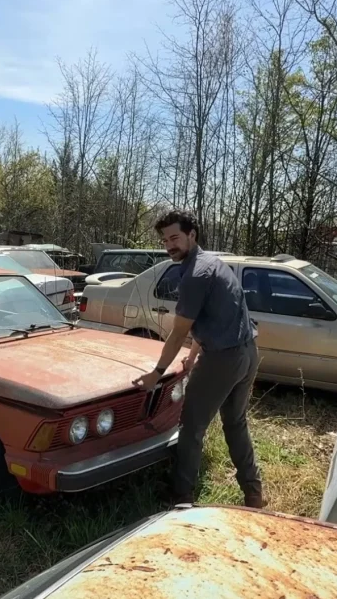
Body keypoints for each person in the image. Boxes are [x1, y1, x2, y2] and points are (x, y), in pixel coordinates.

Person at [133, 210, 266, 508]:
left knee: (191, 425)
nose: (169, 245)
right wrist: (193, 356)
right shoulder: (213, 264)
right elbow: (208, 319)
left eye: (175, 238)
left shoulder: (196, 274)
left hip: (224, 359)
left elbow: (179, 331)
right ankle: (253, 492)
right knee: (235, 422)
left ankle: (181, 495)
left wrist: (157, 372)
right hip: (247, 352)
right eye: (165, 240)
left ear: (193, 234)